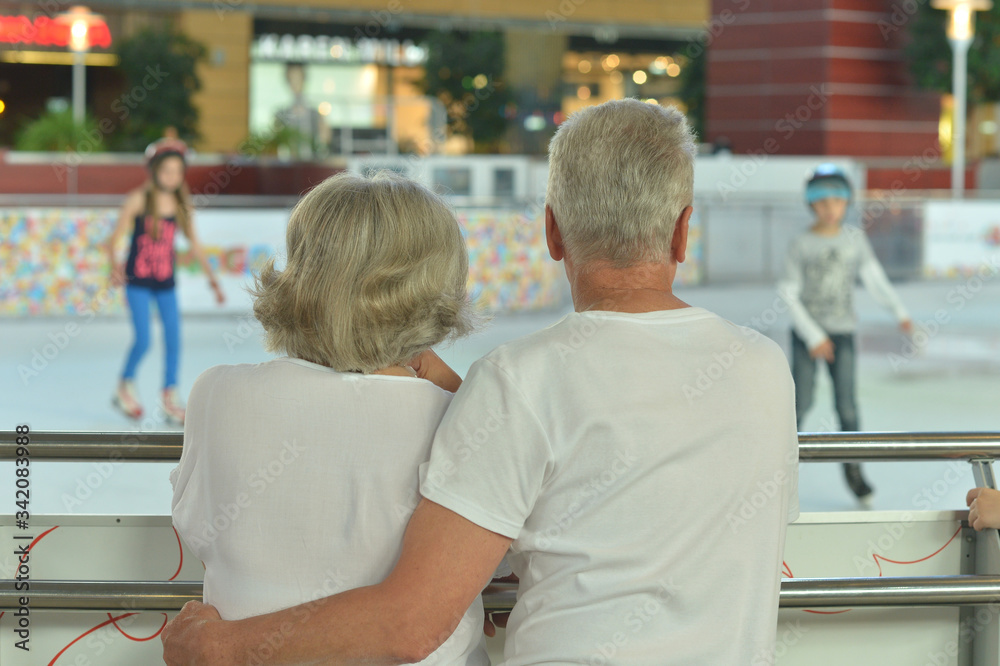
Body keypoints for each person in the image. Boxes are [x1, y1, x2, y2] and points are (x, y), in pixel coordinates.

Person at [162, 99, 800, 665]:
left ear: (552, 231)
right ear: (684, 231)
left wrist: (220, 647)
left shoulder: (520, 380)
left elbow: (410, 622)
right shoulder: (766, 368)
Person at [169, 170, 487, 664]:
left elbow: (195, 526)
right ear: (434, 287)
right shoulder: (458, 422)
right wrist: (461, 394)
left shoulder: (217, 392)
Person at [778, 164, 912, 506]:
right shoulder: (800, 243)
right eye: (822, 202)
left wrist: (899, 312)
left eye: (837, 200)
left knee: (848, 408)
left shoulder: (854, 239)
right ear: (811, 205)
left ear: (846, 202)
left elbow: (874, 277)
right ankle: (778, 478)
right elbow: (788, 293)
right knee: (800, 404)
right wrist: (813, 336)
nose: (830, 208)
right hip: (809, 337)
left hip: (843, 334)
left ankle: (856, 479)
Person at [107, 137, 224, 425]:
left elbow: (195, 245)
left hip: (166, 285)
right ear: (154, 170)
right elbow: (111, 241)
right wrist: (115, 267)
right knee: (144, 340)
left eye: (177, 171)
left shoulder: (181, 205)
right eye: (166, 171)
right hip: (138, 284)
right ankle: (124, 385)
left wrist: (214, 282)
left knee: (174, 340)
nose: (172, 177)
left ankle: (170, 397)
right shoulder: (138, 200)